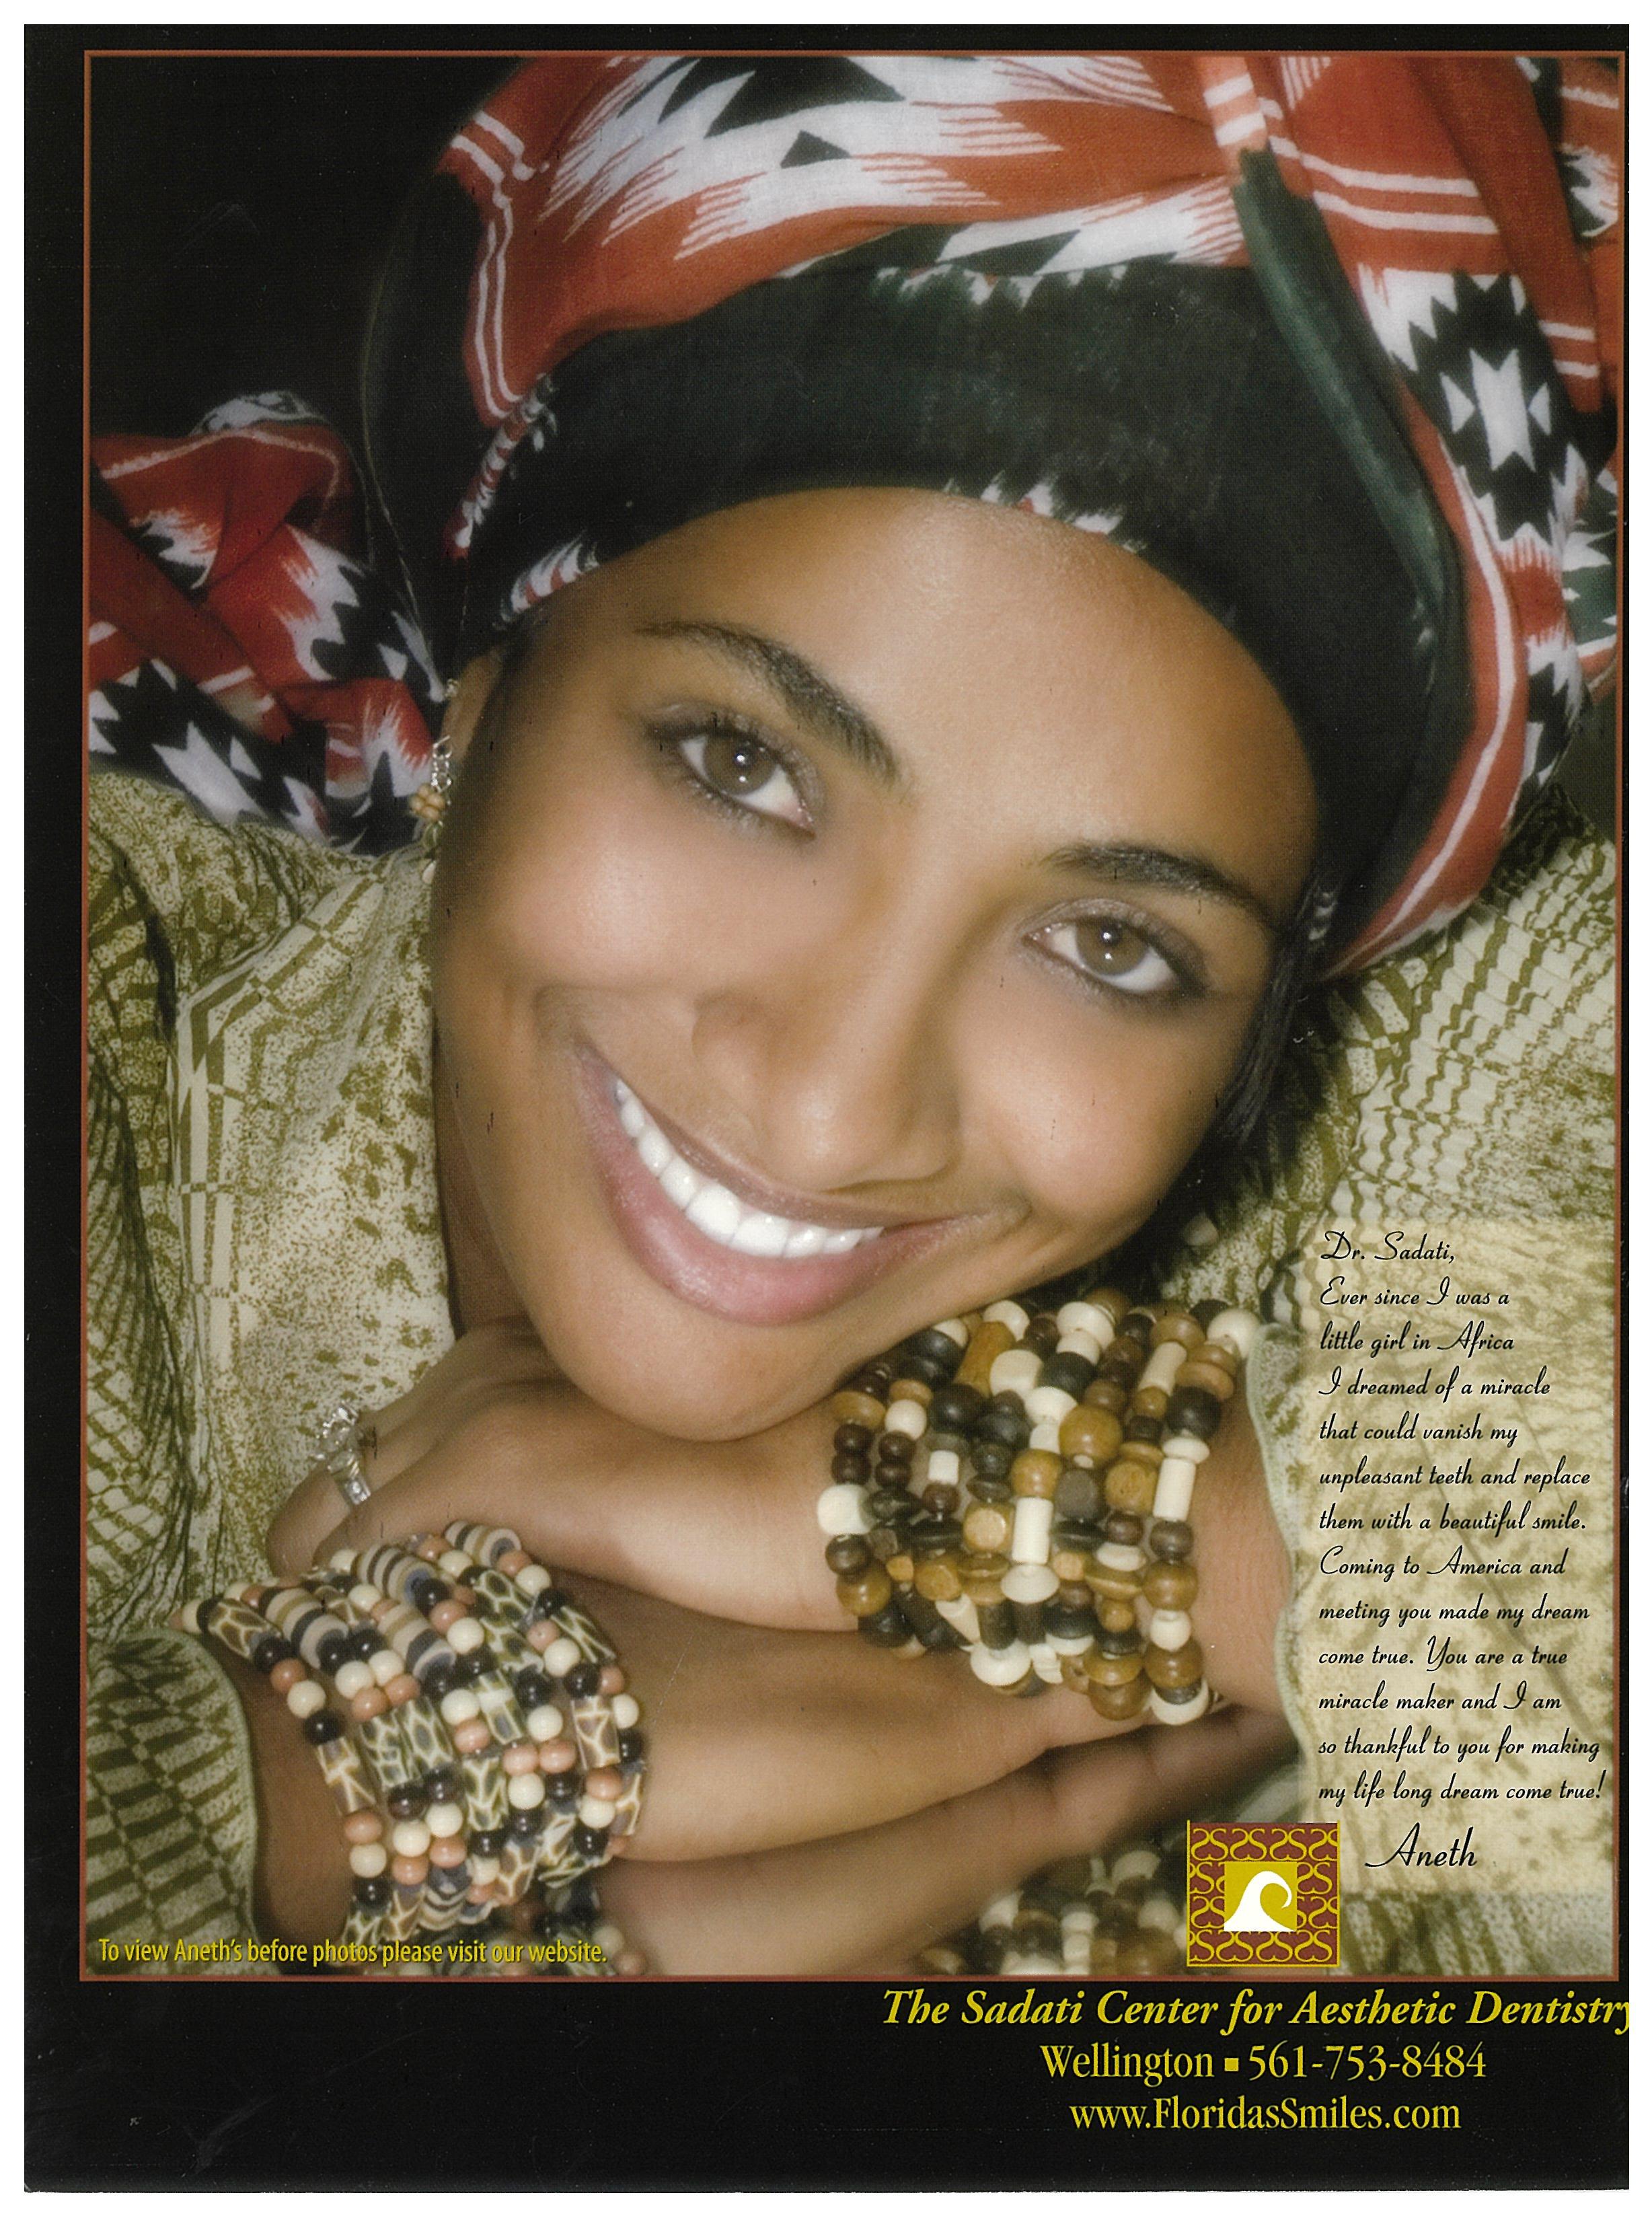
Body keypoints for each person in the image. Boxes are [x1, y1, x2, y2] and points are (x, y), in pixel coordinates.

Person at [87, 50, 1617, 1976]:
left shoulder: (1444, 1070)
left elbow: (1495, 1932)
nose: (827, 1107)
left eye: (1114, 943)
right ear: (486, 673)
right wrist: (379, 1760)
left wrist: (1025, 1512)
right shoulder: (101, 1019)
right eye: (740, 765)